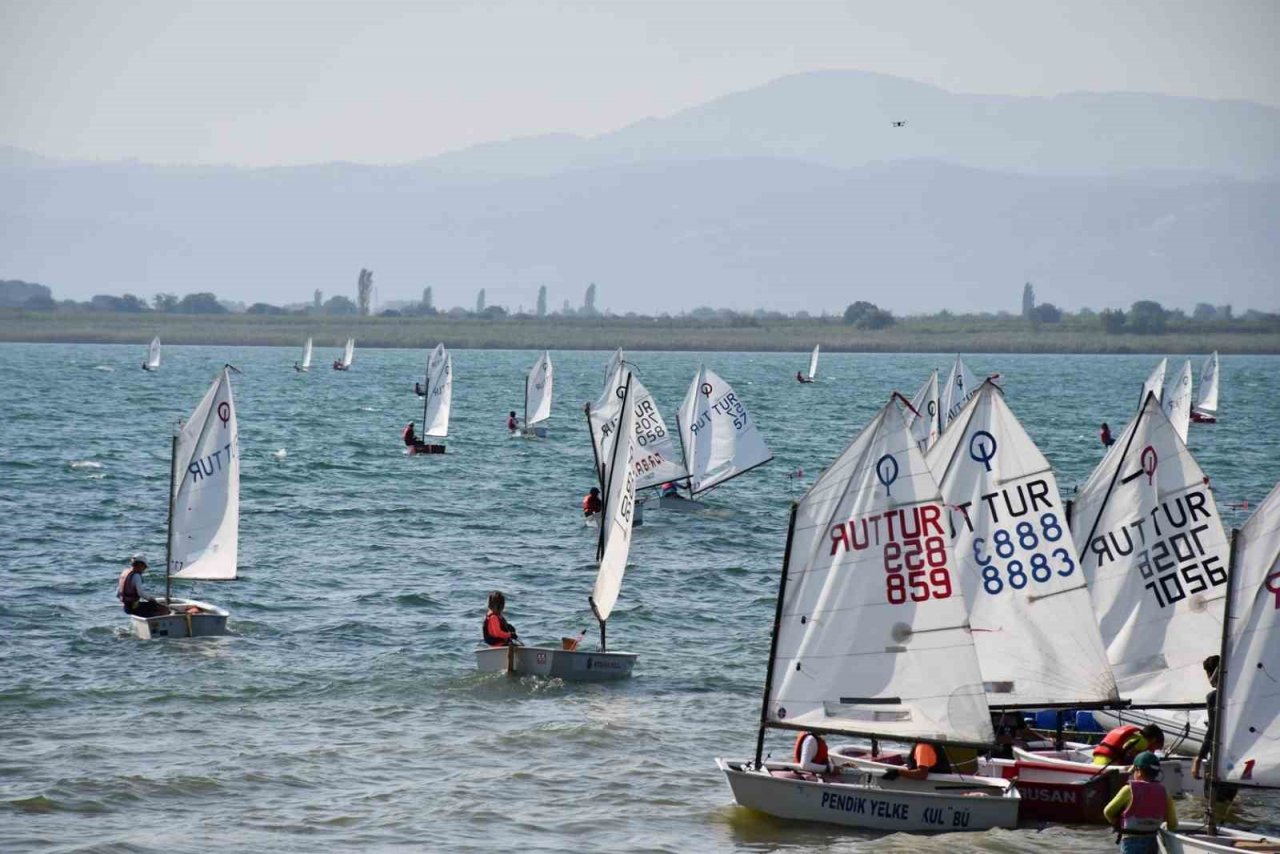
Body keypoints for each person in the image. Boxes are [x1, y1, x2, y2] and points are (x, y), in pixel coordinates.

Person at [1191, 654, 1241, 821]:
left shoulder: (1214, 697)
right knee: (1228, 804)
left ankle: (1212, 834)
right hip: (1236, 760)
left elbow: (1213, 729)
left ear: (1211, 674)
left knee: (1212, 803)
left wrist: (1199, 758)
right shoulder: (1240, 696)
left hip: (1219, 758)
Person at [1103, 751, 1178, 853]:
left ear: (1139, 771)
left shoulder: (1129, 790)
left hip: (1131, 842)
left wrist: (1117, 824)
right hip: (1151, 841)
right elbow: (1173, 823)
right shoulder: (1164, 793)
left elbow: (1107, 811)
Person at [1093, 723, 1165, 767]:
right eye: (1156, 748)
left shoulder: (1135, 735)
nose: (1153, 751)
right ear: (1153, 740)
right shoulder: (1143, 742)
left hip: (1097, 760)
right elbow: (1126, 747)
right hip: (1108, 764)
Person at [885, 740, 952, 781]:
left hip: (935, 785)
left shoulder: (923, 746)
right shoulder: (929, 744)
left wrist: (898, 772)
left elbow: (922, 774)